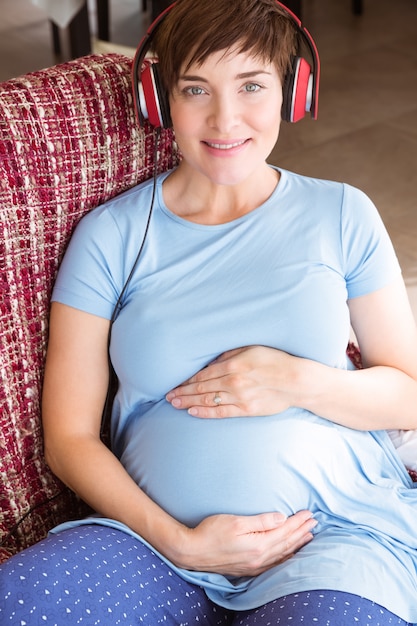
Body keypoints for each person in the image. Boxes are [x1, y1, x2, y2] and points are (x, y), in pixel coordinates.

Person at [1, 0, 417, 624]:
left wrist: (296, 380)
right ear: (161, 98)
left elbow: (409, 393)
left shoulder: (342, 214)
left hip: (330, 538)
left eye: (252, 85)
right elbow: (69, 439)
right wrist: (181, 540)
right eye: (196, 88)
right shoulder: (109, 235)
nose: (226, 119)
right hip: (151, 546)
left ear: (292, 91)